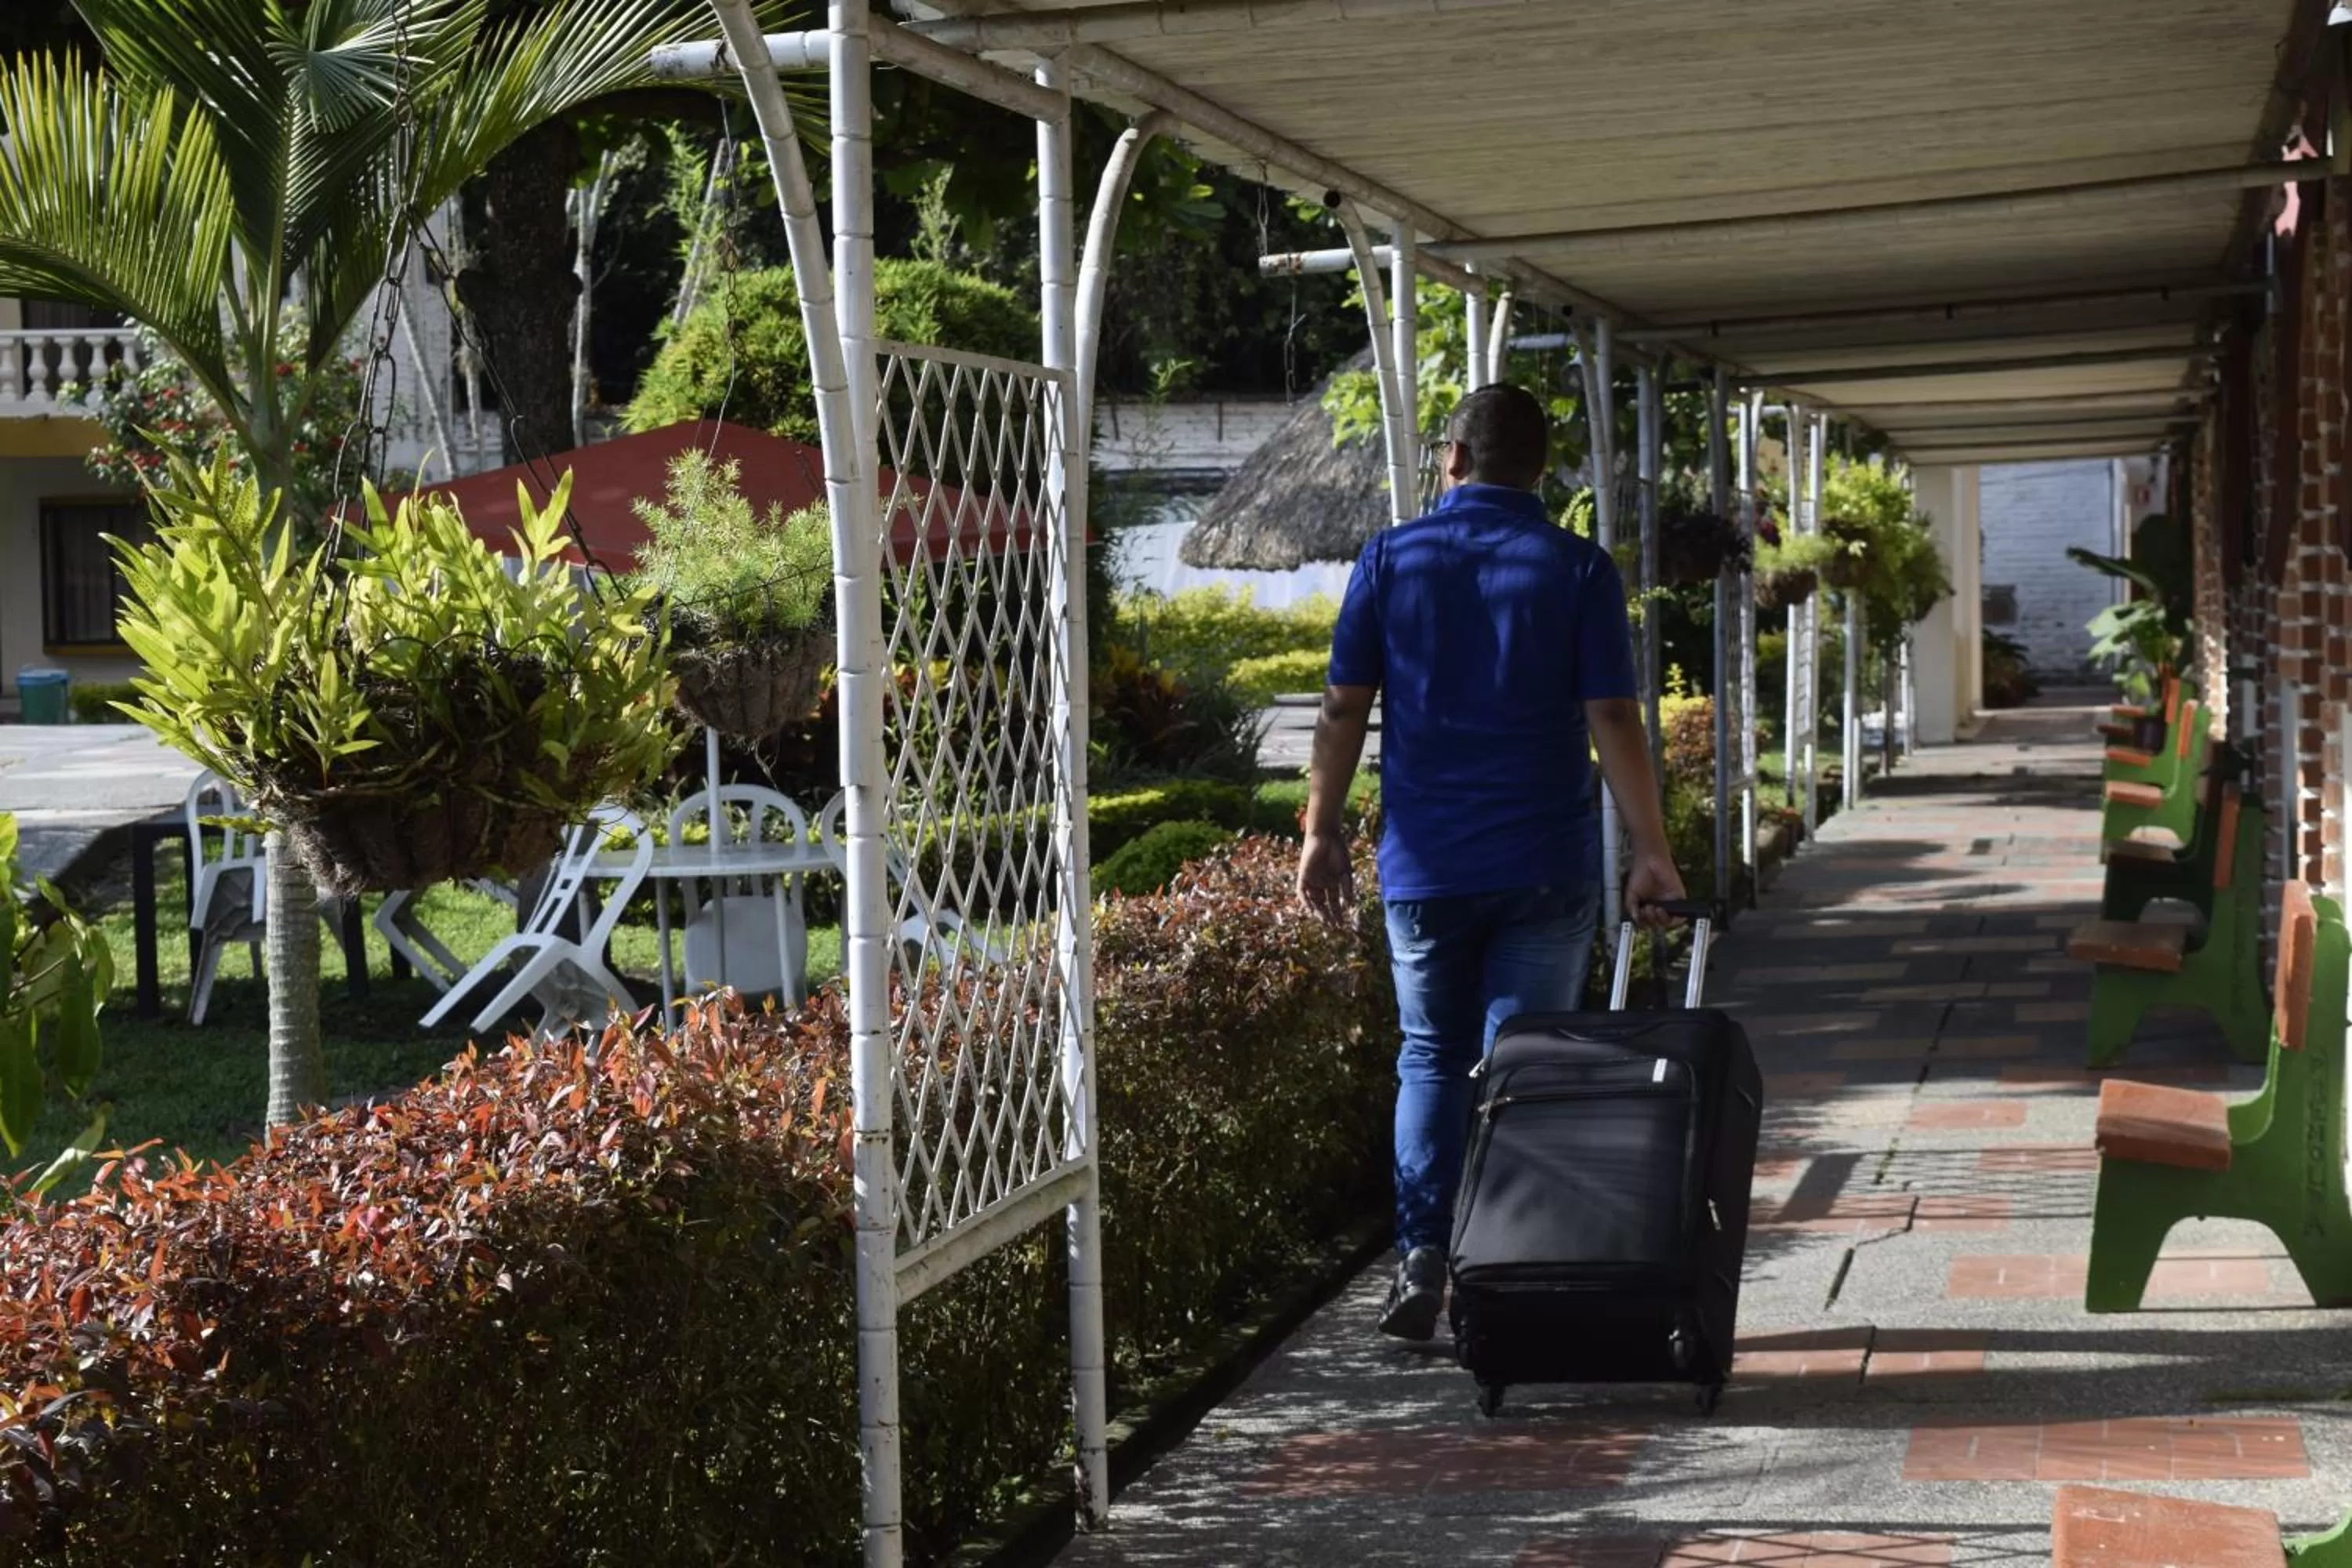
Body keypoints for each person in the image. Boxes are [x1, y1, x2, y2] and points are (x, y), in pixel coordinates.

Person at [1294, 382, 1686, 1342]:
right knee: (1527, 1060)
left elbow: (1345, 707)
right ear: (1541, 470)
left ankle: (1424, 1251)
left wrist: (1320, 826)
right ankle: (1509, 1265)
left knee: (1430, 1055)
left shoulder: (1391, 556)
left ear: (1453, 458)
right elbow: (1613, 718)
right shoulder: (1580, 566)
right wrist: (1652, 849)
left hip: (1427, 864)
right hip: (1545, 861)